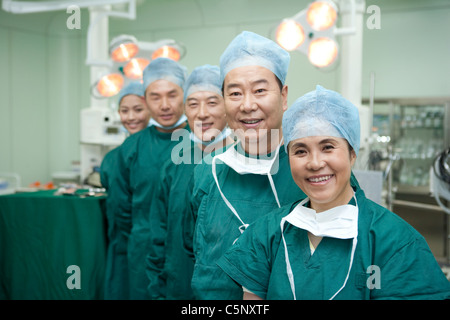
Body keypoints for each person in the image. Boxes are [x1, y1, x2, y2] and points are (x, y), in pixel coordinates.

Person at [217, 85, 450, 300]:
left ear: (352, 154)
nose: (315, 163)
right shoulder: (267, 234)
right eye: (300, 151)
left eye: (328, 147)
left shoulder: (393, 241)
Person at [185, 31, 310, 300]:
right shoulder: (208, 172)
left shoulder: (313, 173)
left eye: (260, 90)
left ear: (284, 96)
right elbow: (191, 251)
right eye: (235, 93)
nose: (248, 105)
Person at [145, 65, 233, 300]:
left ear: (228, 107)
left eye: (212, 102)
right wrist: (158, 290)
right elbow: (159, 235)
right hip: (178, 285)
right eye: (193, 104)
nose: (202, 113)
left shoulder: (244, 161)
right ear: (185, 110)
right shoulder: (174, 165)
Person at [111, 57, 189, 299]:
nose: (164, 105)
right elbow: (120, 208)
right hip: (143, 250)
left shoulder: (201, 143)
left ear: (185, 95)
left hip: (188, 252)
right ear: (145, 100)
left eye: (172, 95)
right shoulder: (132, 148)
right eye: (155, 97)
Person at [100, 81, 150, 300]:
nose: (131, 117)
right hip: (122, 241)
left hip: (147, 240)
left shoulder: (164, 151)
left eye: (138, 109)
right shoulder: (113, 157)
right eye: (124, 110)